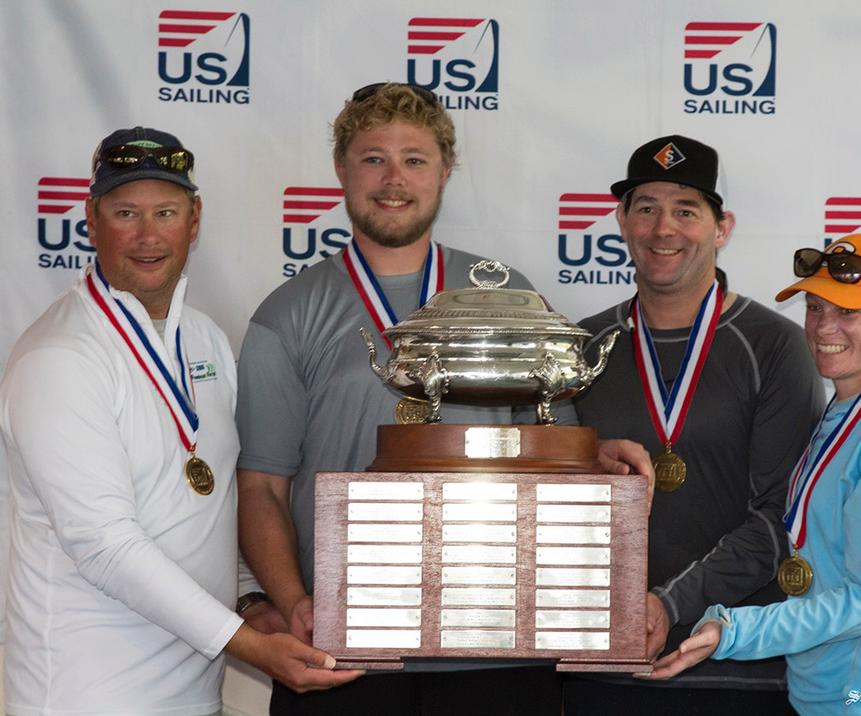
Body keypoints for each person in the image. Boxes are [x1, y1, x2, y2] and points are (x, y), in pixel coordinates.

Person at [234, 82, 650, 715]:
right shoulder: (287, 314)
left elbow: (554, 452)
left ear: (445, 171)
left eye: (415, 159)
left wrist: (599, 457)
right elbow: (262, 486)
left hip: (499, 642)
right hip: (343, 649)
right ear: (342, 169)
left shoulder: (510, 297)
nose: (393, 178)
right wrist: (294, 604)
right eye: (373, 157)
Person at [0, 126, 358, 715]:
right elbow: (104, 545)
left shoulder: (205, 339)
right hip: (84, 693)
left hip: (195, 692)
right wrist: (253, 646)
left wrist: (253, 604)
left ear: (194, 221)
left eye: (165, 212)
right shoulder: (58, 358)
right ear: (91, 220)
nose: (147, 236)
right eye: (125, 213)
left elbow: (210, 506)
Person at [650, 233, 861, 716]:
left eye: (848, 311)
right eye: (816, 307)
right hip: (835, 696)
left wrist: (734, 630)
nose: (824, 326)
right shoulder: (848, 409)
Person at [567, 134, 825, 715]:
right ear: (622, 220)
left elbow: (784, 517)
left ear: (722, 227)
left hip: (735, 663)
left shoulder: (775, 346)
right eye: (647, 208)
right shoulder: (580, 348)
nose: (664, 229)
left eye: (686, 210)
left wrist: (668, 604)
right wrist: (580, 456)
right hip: (602, 665)